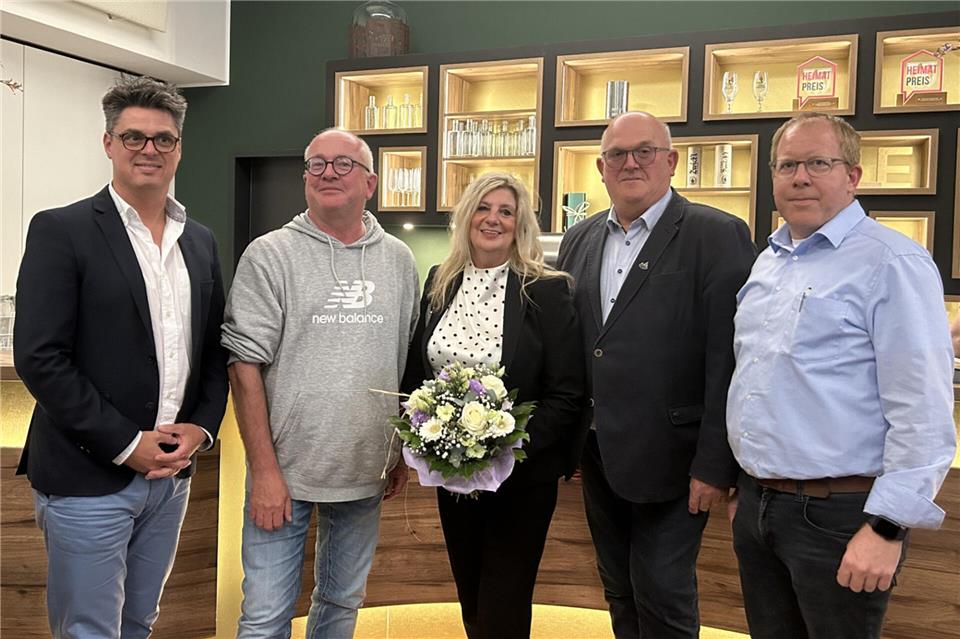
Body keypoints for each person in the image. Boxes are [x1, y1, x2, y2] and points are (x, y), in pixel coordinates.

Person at [13, 76, 229, 639]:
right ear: (108, 143)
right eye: (134, 137)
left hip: (172, 479)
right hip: (88, 475)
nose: (149, 150)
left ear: (179, 148)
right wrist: (128, 444)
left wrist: (201, 430)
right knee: (89, 630)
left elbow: (212, 351)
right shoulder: (62, 230)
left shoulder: (199, 240)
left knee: (139, 622)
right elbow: (40, 357)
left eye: (163, 139)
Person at [726, 112, 957, 639]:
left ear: (852, 176)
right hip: (761, 505)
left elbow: (921, 408)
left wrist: (888, 527)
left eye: (818, 163)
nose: (800, 177)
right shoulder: (769, 261)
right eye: (787, 165)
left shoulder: (892, 261)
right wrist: (750, 484)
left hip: (841, 516)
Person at [556, 111, 756, 639]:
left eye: (645, 151)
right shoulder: (578, 240)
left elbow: (729, 359)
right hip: (598, 455)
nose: (631, 163)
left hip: (676, 458)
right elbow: (580, 347)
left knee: (662, 593)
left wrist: (716, 464)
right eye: (618, 154)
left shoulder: (717, 235)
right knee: (618, 587)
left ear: (670, 162)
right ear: (600, 168)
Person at [222, 128, 419, 639]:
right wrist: (263, 470)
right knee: (265, 619)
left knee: (341, 603)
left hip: (364, 470)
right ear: (305, 178)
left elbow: (400, 362)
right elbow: (243, 367)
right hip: (283, 473)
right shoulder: (269, 255)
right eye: (316, 164)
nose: (328, 173)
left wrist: (395, 451)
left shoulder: (399, 260)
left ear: (371, 182)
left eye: (343, 164)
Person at [401, 172, 584, 639]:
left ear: (520, 224)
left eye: (506, 211)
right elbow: (418, 373)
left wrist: (503, 449)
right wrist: (426, 434)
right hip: (453, 475)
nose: (493, 219)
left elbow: (567, 392)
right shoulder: (439, 281)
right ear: (466, 217)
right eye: (483, 208)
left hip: (521, 477)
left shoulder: (546, 289)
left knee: (504, 599)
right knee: (471, 596)